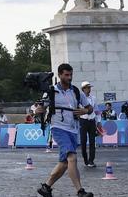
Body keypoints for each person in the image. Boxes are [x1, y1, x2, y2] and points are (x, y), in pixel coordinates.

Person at [37, 63, 94, 197]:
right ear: (60, 75)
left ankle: (46, 187)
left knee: (64, 163)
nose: (69, 77)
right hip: (58, 128)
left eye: (71, 75)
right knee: (72, 157)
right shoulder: (51, 91)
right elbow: (40, 108)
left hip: (73, 129)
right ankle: (80, 191)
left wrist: (85, 110)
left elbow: (89, 108)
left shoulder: (76, 91)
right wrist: (38, 111)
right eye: (66, 75)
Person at [77, 82, 99, 168]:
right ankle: (85, 159)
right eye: (87, 88)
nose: (89, 89)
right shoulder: (79, 99)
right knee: (83, 141)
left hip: (92, 120)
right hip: (83, 120)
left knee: (92, 141)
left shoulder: (93, 98)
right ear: (83, 89)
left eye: (89, 87)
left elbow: (96, 110)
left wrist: (98, 121)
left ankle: (91, 160)